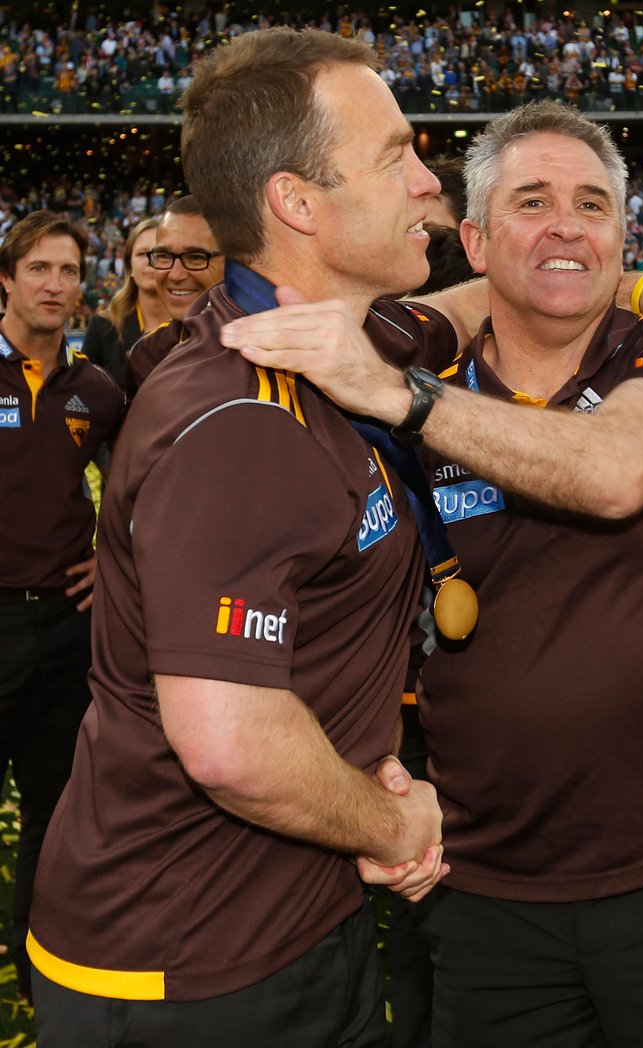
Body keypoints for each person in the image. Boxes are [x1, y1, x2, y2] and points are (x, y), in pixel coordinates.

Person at [221, 101, 643, 1048]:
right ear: (473, 239)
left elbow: (615, 472)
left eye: (593, 206)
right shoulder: (419, 353)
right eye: (532, 202)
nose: (567, 224)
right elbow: (255, 334)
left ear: (622, 236)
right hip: (482, 889)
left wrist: (401, 394)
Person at [27, 29, 449, 1048]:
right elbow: (228, 744)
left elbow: (466, 313)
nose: (431, 182)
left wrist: (642, 289)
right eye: (396, 156)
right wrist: (397, 823)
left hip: (282, 919)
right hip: (191, 968)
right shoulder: (241, 421)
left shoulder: (343, 337)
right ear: (297, 203)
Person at [0, 211, 124, 1002]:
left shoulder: (96, 390)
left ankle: (31, 966)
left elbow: (150, 484)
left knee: (55, 812)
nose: (55, 285)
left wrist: (113, 555)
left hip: (65, 628)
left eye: (69, 271)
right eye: (39, 269)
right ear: (5, 281)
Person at [125, 195, 224, 399]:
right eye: (164, 256)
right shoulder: (146, 356)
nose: (175, 274)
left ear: (233, 261)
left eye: (196, 257)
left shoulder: (273, 350)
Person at [81, 217, 169, 389]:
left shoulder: (195, 325)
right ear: (129, 267)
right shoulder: (103, 326)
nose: (151, 262)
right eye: (142, 254)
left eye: (161, 254)